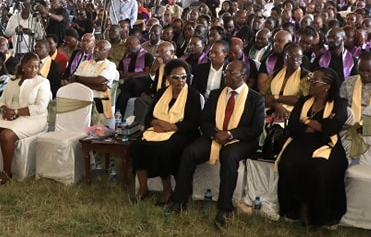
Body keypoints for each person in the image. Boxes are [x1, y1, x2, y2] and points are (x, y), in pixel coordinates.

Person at [167, 60, 265, 225]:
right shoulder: (215, 94)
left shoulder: (256, 99)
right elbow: (204, 121)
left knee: (229, 156)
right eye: (226, 71)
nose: (226, 75)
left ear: (244, 76)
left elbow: (255, 128)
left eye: (231, 73)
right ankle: (179, 200)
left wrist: (230, 134)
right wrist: (215, 134)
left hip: (242, 139)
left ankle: (224, 209)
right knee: (190, 152)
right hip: (214, 135)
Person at [275, 67, 349, 227]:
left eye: (314, 81)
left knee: (321, 167)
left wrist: (307, 121)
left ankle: (317, 212)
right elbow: (293, 124)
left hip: (327, 143)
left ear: (327, 86)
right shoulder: (304, 101)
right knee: (287, 163)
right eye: (310, 79)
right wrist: (316, 124)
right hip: (301, 141)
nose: (309, 83)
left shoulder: (339, 103)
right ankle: (294, 208)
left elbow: (333, 127)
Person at [129, 59, 203, 204]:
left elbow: (193, 123)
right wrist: (157, 123)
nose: (180, 81)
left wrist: (172, 127)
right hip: (158, 129)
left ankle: (167, 189)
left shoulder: (193, 95)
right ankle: (143, 188)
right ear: (168, 78)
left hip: (183, 133)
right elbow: (149, 116)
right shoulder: (162, 92)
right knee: (137, 146)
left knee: (164, 149)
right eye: (175, 77)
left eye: (183, 77)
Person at [0, 53, 52, 185]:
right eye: (30, 67)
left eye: (36, 67)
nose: (34, 70)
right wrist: (4, 110)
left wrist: (15, 111)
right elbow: (2, 100)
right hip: (11, 114)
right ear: (22, 67)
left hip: (34, 118)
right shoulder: (13, 81)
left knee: (6, 135)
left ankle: (7, 172)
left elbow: (40, 107)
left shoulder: (42, 82)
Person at [261, 43, 309, 124]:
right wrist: (276, 105)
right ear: (284, 58)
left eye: (299, 57)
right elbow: (263, 97)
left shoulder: (306, 77)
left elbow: (304, 101)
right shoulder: (274, 75)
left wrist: (276, 97)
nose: (295, 59)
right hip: (271, 109)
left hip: (293, 113)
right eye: (291, 56)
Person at [115, 35, 155, 114]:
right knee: (124, 96)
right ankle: (118, 118)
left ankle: (116, 90)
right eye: (127, 45)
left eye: (131, 43)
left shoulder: (147, 56)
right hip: (129, 87)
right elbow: (120, 75)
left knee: (131, 81)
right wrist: (133, 75)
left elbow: (147, 74)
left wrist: (130, 75)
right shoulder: (125, 59)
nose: (129, 46)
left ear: (139, 43)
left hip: (142, 84)